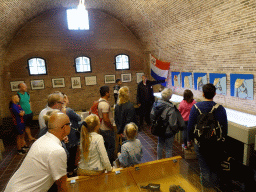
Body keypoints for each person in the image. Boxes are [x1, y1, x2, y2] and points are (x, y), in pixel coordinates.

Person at [5, 112, 70, 192]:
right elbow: (62, 185)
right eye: (69, 124)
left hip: (14, 187)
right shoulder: (56, 150)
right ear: (64, 128)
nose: (70, 126)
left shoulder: (42, 140)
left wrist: (61, 137)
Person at [187, 83, 227, 190]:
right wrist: (222, 142)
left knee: (204, 168)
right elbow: (224, 129)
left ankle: (206, 189)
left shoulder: (195, 107)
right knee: (214, 168)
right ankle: (213, 188)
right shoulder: (220, 109)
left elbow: (190, 127)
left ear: (203, 94)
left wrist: (188, 141)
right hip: (216, 144)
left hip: (200, 143)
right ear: (214, 94)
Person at [151, 88, 185, 160]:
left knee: (160, 144)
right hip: (168, 131)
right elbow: (172, 123)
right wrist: (175, 130)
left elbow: (152, 116)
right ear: (170, 97)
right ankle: (168, 163)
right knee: (168, 148)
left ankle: (158, 160)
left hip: (159, 128)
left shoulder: (156, 103)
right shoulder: (171, 107)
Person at [62, 94, 82, 176]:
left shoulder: (59, 110)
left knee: (67, 152)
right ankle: (71, 171)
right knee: (72, 152)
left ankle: (68, 170)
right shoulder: (68, 110)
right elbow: (78, 118)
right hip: (72, 134)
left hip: (65, 134)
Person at [98, 86, 115, 163]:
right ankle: (108, 164)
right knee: (111, 147)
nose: (110, 93)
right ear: (106, 93)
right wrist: (111, 127)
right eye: (109, 92)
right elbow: (105, 119)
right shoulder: (104, 104)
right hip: (106, 129)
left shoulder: (100, 101)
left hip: (102, 128)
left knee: (106, 147)